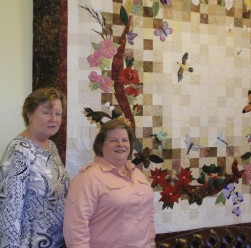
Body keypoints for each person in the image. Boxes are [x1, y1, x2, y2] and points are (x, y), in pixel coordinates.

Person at [63, 119, 156, 248]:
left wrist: (151, 241)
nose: (120, 144)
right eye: (113, 140)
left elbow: (148, 212)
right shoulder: (88, 178)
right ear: (101, 145)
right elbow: (75, 226)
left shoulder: (138, 174)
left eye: (125, 140)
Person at [0, 87, 70, 248]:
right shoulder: (18, 151)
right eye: (47, 112)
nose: (54, 119)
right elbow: (9, 212)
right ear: (29, 114)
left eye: (58, 114)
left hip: (57, 242)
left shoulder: (51, 146)